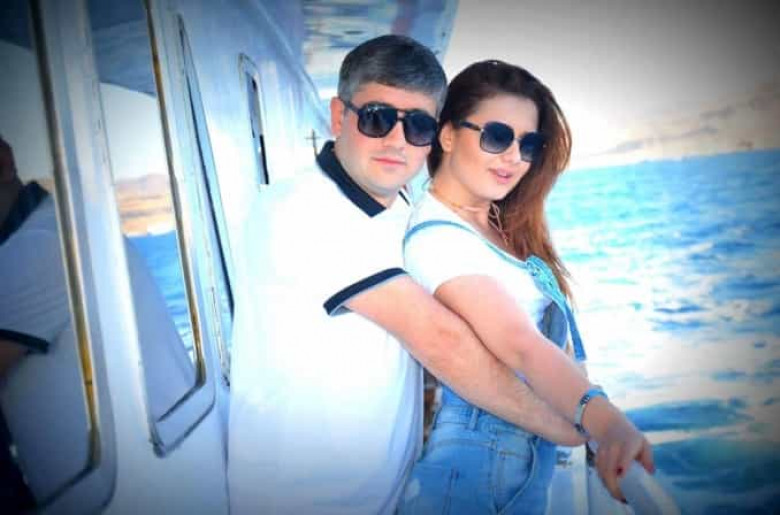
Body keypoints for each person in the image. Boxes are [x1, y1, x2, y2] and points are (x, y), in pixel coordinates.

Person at [228, 35, 594, 515]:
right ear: (338, 116)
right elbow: (442, 340)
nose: (397, 141)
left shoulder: (402, 212)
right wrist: (569, 427)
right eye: (377, 118)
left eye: (418, 125)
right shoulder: (303, 210)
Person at [396, 60, 654, 514]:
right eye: (497, 136)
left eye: (528, 143)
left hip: (516, 468)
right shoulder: (437, 238)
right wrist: (608, 422)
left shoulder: (497, 226)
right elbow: (520, 345)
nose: (514, 157)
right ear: (448, 135)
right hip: (474, 477)